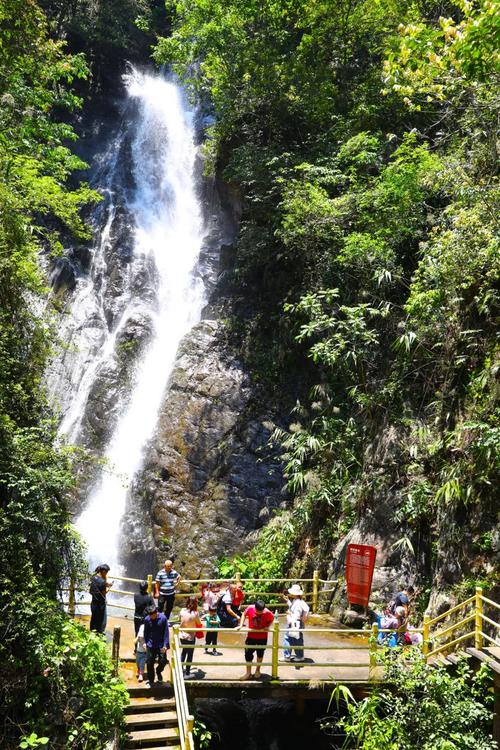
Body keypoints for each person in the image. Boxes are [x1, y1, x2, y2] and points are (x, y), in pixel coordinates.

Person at [237, 599, 274, 680]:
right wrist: (241, 625)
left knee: (260, 654)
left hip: (262, 637)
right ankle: (248, 673)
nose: (259, 613)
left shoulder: (267, 612)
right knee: (248, 654)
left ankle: (257, 670)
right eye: (257, 611)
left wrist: (268, 626)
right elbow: (244, 614)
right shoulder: (250, 608)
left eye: (261, 612)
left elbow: (272, 619)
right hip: (251, 636)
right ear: (255, 608)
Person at [282, 584, 310, 662]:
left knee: (289, 639)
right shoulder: (298, 601)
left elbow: (296, 616)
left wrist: (289, 614)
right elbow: (293, 608)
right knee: (296, 639)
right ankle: (295, 655)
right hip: (297, 623)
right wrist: (287, 601)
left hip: (294, 623)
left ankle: (289, 656)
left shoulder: (298, 603)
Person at [143, 604, 169, 686]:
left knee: (163, 661)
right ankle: (151, 680)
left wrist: (165, 645)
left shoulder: (163, 618)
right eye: (149, 615)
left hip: (161, 644)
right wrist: (145, 643)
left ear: (156, 613)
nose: (151, 617)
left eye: (152, 615)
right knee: (149, 663)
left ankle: (158, 671)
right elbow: (145, 632)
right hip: (151, 644)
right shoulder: (147, 619)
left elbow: (166, 633)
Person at [179, 596, 202, 679]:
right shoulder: (195, 613)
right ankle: (187, 673)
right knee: (190, 654)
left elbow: (180, 620)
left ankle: (181, 670)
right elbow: (199, 624)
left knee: (184, 652)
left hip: (182, 635)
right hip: (190, 636)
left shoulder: (182, 611)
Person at [89, 564, 113, 633]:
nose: (107, 574)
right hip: (100, 605)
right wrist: (109, 588)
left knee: (93, 619)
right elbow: (104, 593)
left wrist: (106, 584)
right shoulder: (102, 582)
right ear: (103, 571)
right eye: (107, 572)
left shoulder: (93, 577)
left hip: (93, 603)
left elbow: (91, 590)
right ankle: (99, 635)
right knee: (101, 621)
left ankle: (92, 633)